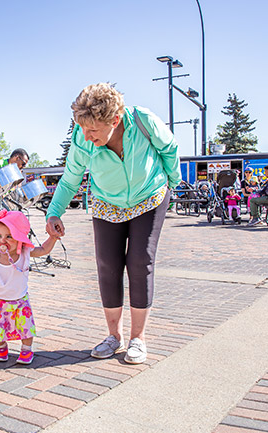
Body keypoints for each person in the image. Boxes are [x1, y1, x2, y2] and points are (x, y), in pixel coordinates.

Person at [45, 83, 182, 364]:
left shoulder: (143, 121)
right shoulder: (83, 140)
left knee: (140, 260)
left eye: (93, 129)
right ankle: (114, 336)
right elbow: (71, 178)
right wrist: (54, 212)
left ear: (115, 120)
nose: (86, 135)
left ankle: (138, 338)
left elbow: (169, 148)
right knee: (108, 264)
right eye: (82, 128)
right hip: (108, 202)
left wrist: (173, 181)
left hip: (149, 196)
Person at [0, 209, 58, 364]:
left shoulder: (26, 253)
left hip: (20, 301)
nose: (3, 240)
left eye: (9, 236)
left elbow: (44, 250)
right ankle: (1, 347)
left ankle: (26, 350)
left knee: (26, 327)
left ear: (20, 239)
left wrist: (53, 238)